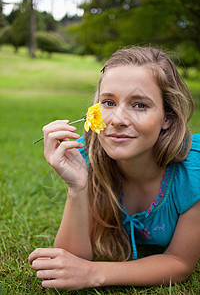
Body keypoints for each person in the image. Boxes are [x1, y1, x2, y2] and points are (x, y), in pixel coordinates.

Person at [28, 46, 200, 290]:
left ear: (167, 118)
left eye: (139, 105)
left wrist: (94, 273)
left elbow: (179, 262)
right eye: (108, 102)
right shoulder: (88, 159)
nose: (117, 119)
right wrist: (76, 188)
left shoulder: (193, 171)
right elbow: (67, 262)